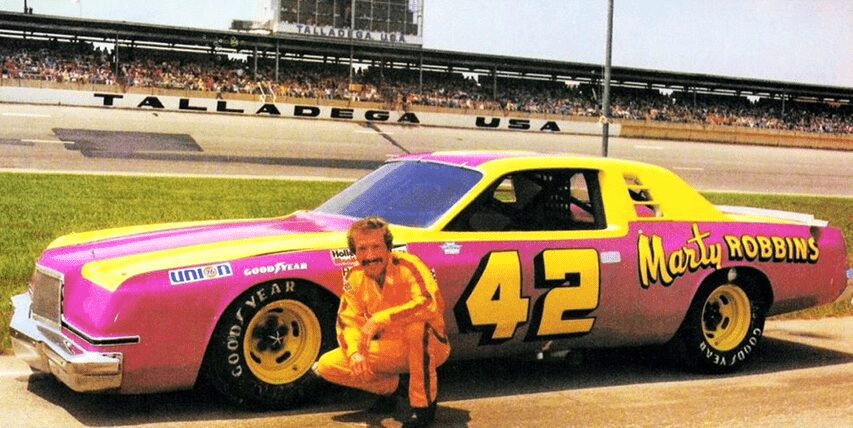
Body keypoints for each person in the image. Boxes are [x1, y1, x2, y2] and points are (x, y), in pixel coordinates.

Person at [314, 217, 450, 427]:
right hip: (390, 347)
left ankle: (423, 407)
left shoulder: (409, 265)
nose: (370, 256)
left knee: (417, 329)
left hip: (430, 345)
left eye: (376, 247)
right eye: (362, 249)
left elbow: (429, 303)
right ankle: (394, 390)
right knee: (327, 365)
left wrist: (381, 319)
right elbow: (348, 321)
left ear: (388, 247)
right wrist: (355, 353)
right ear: (354, 252)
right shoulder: (354, 276)